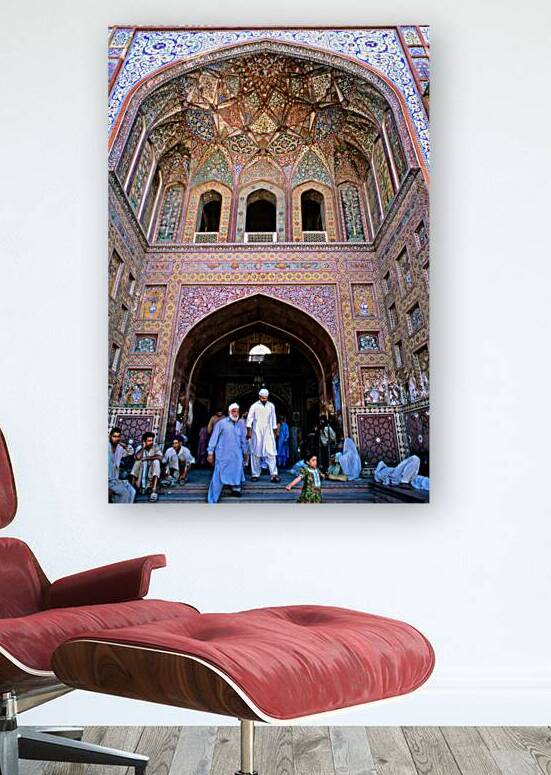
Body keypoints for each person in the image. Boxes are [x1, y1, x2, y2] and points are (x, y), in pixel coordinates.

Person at [207, 403, 248, 503]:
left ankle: (236, 489)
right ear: (229, 412)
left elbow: (243, 440)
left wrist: (245, 452)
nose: (235, 413)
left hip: (237, 455)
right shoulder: (221, 423)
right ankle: (212, 500)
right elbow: (214, 438)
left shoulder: (240, 424)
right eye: (233, 411)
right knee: (218, 477)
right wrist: (210, 453)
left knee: (237, 470)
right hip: (223, 455)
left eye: (237, 411)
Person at [246, 389, 280, 482]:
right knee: (255, 453)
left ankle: (274, 474)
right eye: (263, 398)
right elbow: (249, 420)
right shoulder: (254, 406)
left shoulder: (271, 406)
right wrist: (248, 432)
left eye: (266, 398)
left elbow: (273, 419)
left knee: (271, 452)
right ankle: (255, 474)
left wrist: (275, 432)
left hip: (268, 432)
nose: (264, 399)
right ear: (259, 397)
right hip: (256, 432)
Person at [131, 432, 163, 502]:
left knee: (156, 462)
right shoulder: (140, 448)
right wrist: (143, 447)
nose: (151, 442)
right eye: (149, 441)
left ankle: (153, 490)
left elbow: (160, 457)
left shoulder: (155, 446)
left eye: (152, 440)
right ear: (144, 441)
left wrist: (147, 458)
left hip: (151, 471)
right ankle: (132, 489)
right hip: (141, 472)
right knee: (137, 462)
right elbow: (137, 457)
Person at [108, 427, 135, 503]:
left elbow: (130, 452)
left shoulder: (119, 448)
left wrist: (125, 446)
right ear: (110, 436)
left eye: (118, 437)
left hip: (114, 480)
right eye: (114, 436)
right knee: (125, 493)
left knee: (132, 491)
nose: (116, 438)